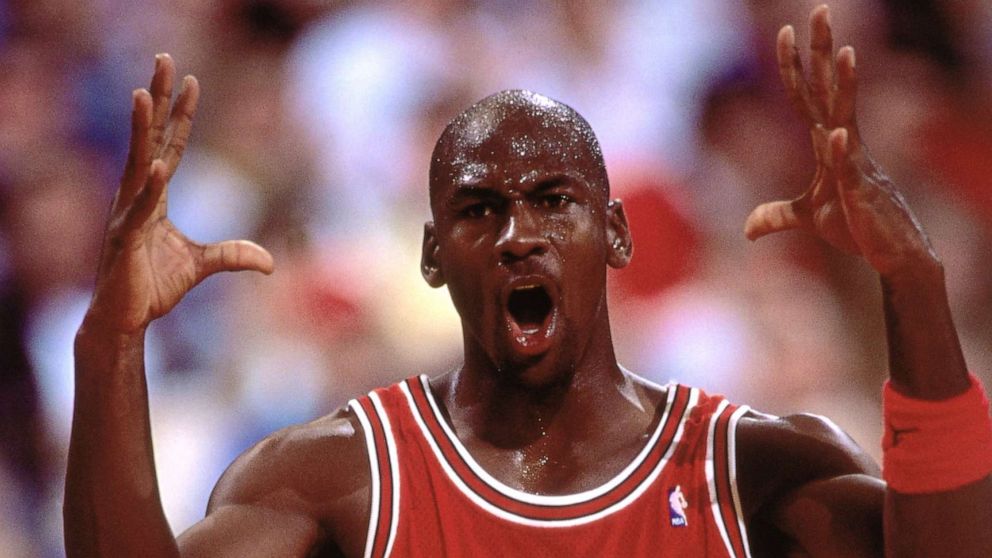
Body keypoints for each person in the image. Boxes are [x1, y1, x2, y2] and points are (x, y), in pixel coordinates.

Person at [65, 5, 992, 557]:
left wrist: (911, 279)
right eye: (479, 211)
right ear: (432, 257)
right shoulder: (334, 477)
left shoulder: (756, 468)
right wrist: (109, 347)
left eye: (555, 202)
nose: (519, 237)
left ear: (619, 234)